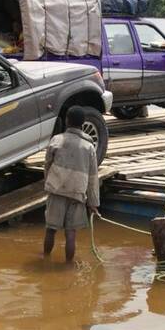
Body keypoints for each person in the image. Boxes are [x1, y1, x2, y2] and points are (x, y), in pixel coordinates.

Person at [43, 106, 100, 263]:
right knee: (71, 234)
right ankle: (68, 266)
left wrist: (49, 184)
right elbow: (93, 177)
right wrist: (93, 203)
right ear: (83, 124)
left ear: (67, 121)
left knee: (50, 229)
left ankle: (45, 259)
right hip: (77, 194)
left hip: (57, 190)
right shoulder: (89, 147)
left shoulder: (56, 140)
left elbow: (47, 165)